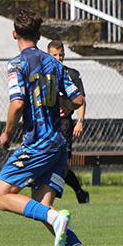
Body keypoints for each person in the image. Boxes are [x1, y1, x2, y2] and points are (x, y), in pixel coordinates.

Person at [0, 10, 91, 246]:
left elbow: (16, 104)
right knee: (40, 206)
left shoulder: (17, 64)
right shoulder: (54, 63)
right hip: (59, 145)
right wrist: (63, 105)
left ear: (15, 34)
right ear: (39, 35)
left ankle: (57, 218)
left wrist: (7, 133)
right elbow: (78, 100)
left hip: (38, 144)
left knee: (1, 196)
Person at [47, 40, 90, 204]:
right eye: (54, 55)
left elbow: (81, 99)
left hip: (64, 125)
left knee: (62, 163)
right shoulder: (43, 75)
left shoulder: (71, 74)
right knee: (47, 160)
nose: (58, 58)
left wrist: (79, 121)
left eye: (61, 55)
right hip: (47, 125)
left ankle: (77, 193)